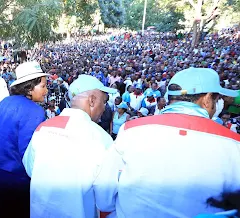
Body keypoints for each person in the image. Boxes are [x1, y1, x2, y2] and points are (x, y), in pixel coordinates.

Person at [98, 68, 240, 217]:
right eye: (216, 99)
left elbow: (104, 189)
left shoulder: (132, 130)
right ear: (206, 99)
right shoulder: (234, 144)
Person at [22, 74, 116, 218]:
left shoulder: (43, 128)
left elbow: (29, 169)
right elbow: (106, 201)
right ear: (91, 100)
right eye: (104, 102)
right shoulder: (101, 138)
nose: (104, 108)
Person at [0, 61, 48, 218]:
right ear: (29, 87)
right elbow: (28, 155)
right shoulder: (35, 111)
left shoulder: (5, 101)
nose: (46, 91)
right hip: (15, 177)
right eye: (43, 86)